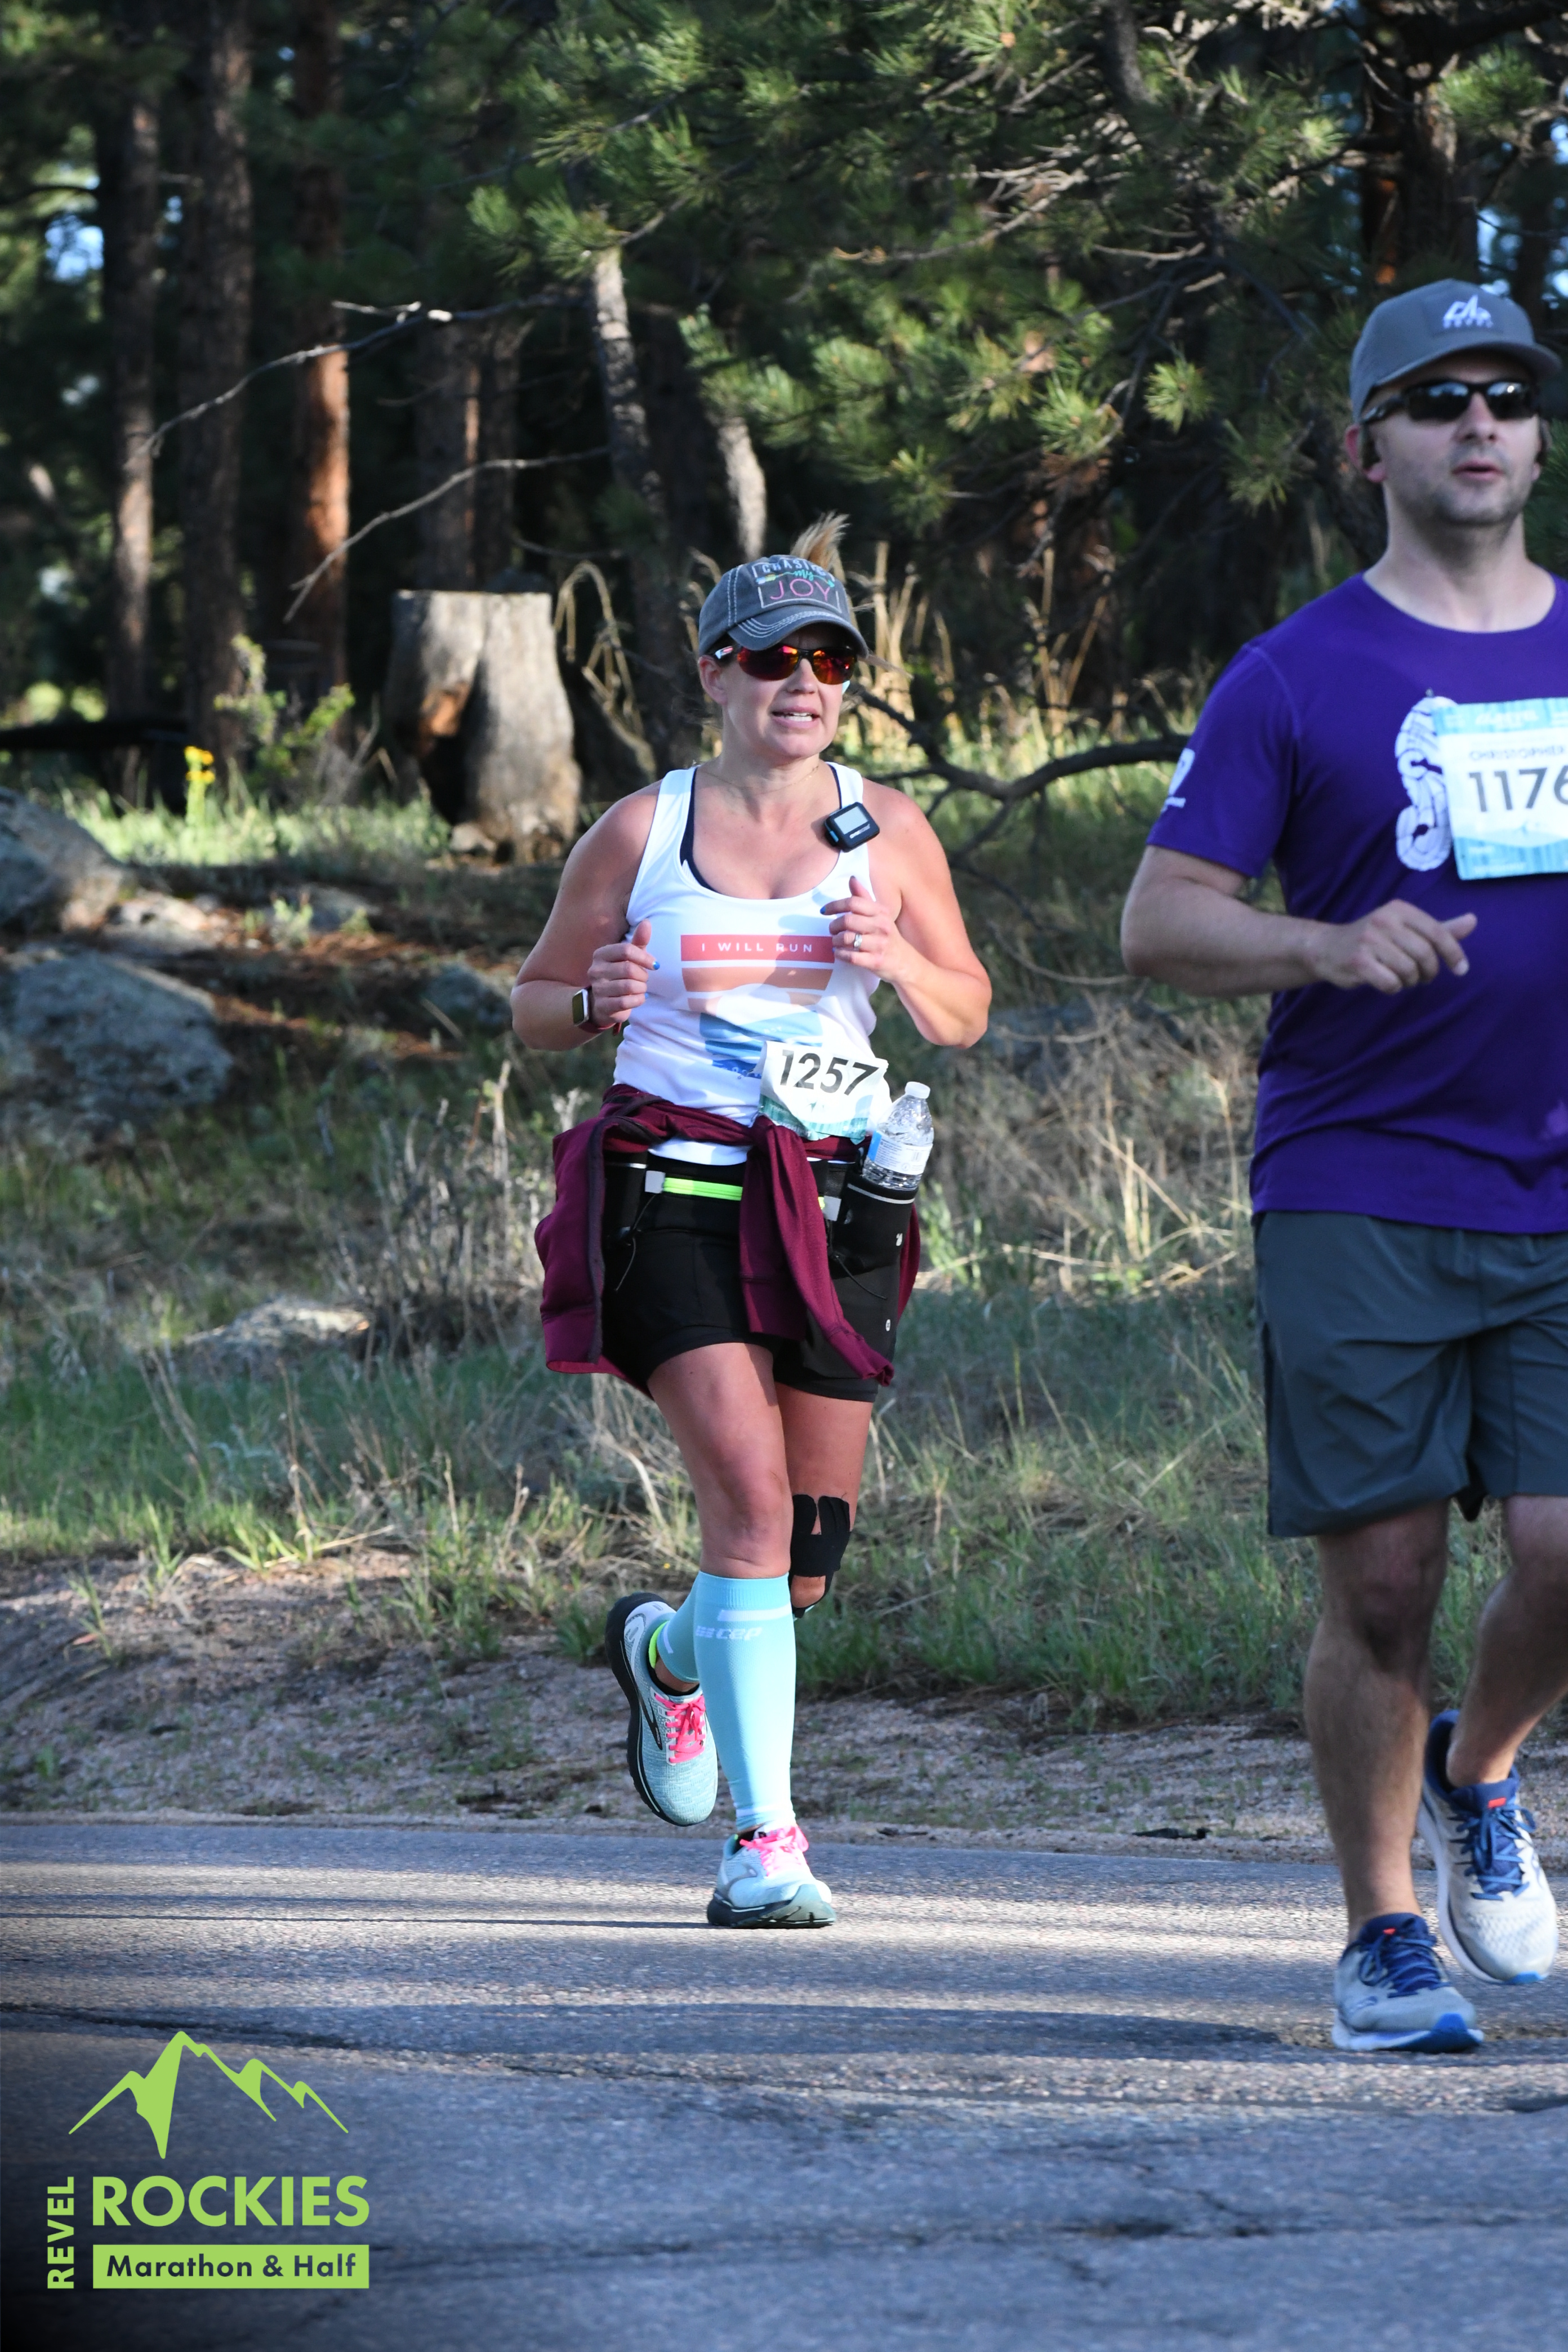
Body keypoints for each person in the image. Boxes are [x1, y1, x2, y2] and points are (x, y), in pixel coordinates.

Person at [1121, 279, 1568, 2054]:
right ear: (1369, 446)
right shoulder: (1294, 675)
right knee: (1382, 1582)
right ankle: (1382, 1936)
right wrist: (1321, 943)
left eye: (1509, 395)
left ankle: (1482, 1771)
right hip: (1363, 1177)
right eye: (1440, 398)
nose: (1481, 424)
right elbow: (1161, 920)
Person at [513, 545, 990, 1927]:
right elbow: (533, 1004)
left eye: (831, 660)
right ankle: (765, 1843)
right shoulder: (641, 831)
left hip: (836, 1199)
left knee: (806, 1559)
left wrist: (898, 960)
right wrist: (595, 1001)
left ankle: (669, 1660)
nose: (805, 683)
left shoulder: (885, 827)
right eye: (776, 658)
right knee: (750, 1503)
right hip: (673, 1188)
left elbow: (966, 1011)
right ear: (715, 671)